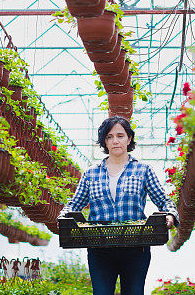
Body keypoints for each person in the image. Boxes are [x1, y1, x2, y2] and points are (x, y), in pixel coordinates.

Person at [60, 116, 179, 295]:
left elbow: (164, 201)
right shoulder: (91, 174)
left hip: (136, 248)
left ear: (129, 139)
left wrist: (170, 215)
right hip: (99, 249)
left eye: (120, 136)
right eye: (109, 137)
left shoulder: (143, 170)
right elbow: (75, 204)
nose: (115, 141)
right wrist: (63, 215)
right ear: (104, 142)